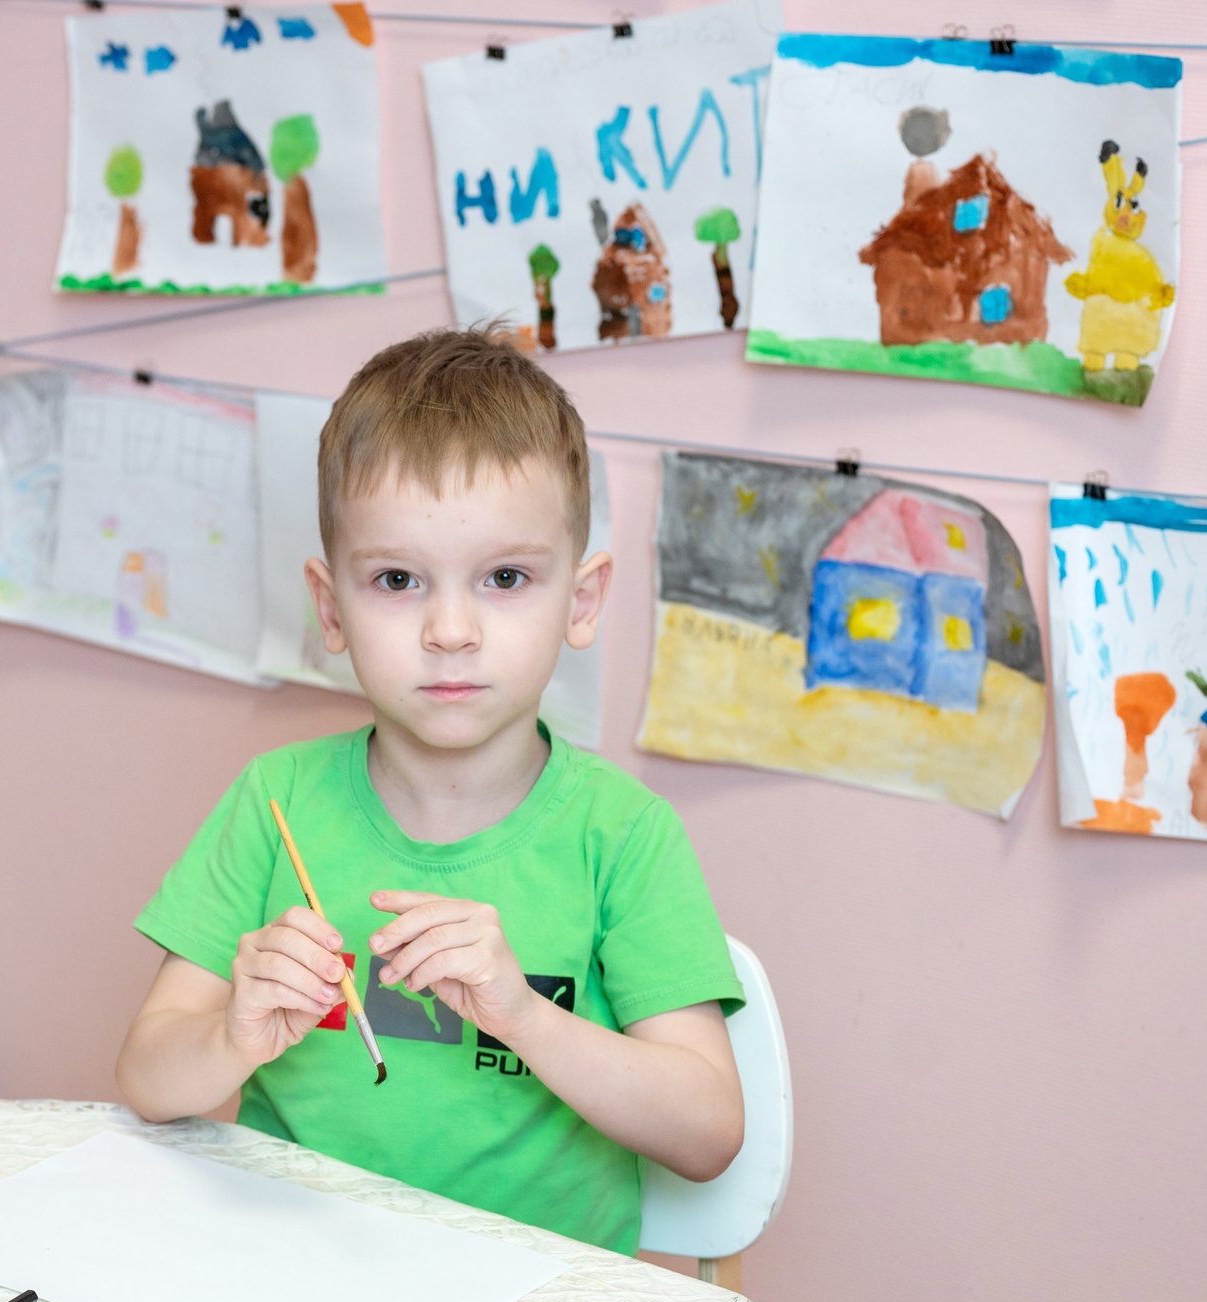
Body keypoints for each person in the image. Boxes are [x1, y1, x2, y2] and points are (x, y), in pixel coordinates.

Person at [115, 329, 745, 1254]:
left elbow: (708, 1133)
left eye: (505, 577)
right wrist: (231, 1040)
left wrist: (522, 1015)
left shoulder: (623, 835)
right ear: (332, 608)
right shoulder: (275, 799)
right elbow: (144, 1076)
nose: (451, 629)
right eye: (399, 580)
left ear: (581, 600)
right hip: (296, 1278)